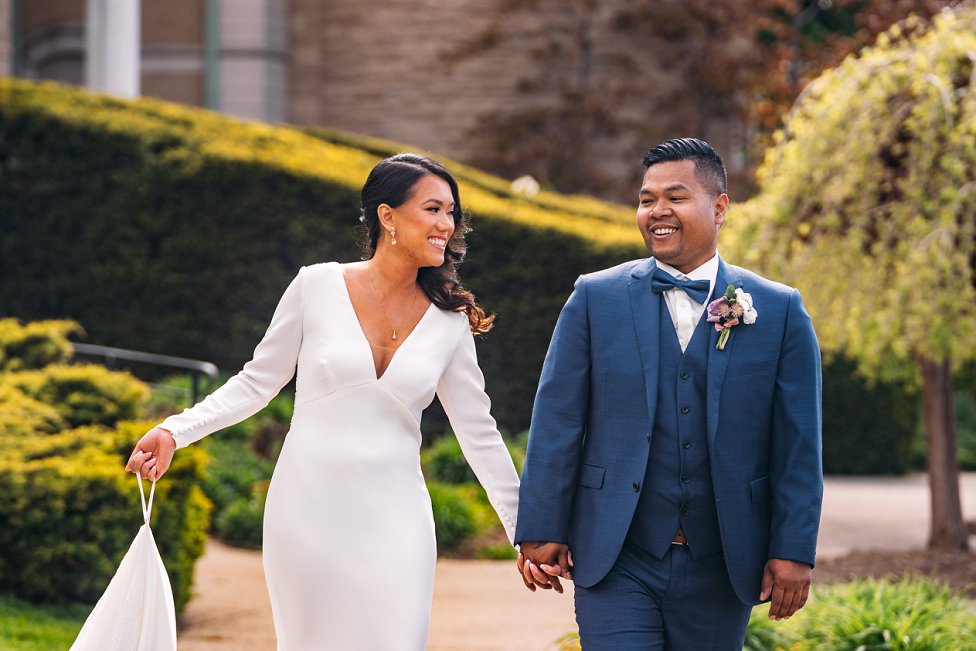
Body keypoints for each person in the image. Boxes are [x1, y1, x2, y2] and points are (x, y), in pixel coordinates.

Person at [125, 153, 520, 651]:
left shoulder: (450, 321)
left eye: (451, 213)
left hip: (398, 522)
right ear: (387, 215)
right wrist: (175, 430)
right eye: (434, 209)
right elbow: (255, 383)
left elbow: (479, 434)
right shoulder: (315, 285)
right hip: (306, 511)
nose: (448, 224)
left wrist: (524, 529)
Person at [515, 138, 822, 650]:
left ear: (719, 207)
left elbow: (798, 444)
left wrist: (794, 548)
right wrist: (541, 524)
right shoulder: (594, 298)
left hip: (724, 560)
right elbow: (557, 422)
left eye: (675, 197)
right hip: (617, 556)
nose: (657, 211)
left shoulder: (779, 310)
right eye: (646, 199)